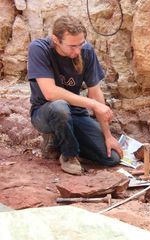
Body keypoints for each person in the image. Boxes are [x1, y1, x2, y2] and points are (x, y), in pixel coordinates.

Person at [27, 15, 123, 175]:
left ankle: (62, 140)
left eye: (81, 44)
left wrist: (108, 135)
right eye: (72, 46)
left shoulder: (86, 51)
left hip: (76, 113)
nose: (78, 51)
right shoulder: (39, 48)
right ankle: (68, 155)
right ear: (56, 40)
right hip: (45, 113)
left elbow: (95, 93)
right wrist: (92, 104)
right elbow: (50, 93)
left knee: (111, 158)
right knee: (60, 107)